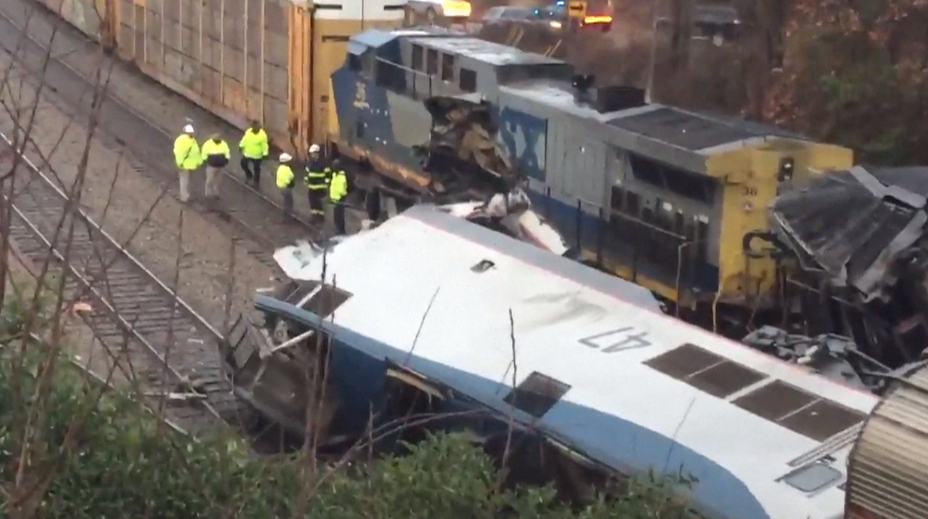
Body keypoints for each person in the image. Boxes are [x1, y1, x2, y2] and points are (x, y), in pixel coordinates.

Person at [172, 124, 202, 203]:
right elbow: (197, 152)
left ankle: (184, 197)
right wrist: (199, 162)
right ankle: (188, 195)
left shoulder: (180, 140)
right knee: (190, 180)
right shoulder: (193, 141)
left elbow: (178, 152)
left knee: (183, 180)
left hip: (184, 164)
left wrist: (179, 163)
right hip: (193, 165)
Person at [239, 120, 269, 187]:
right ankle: (249, 174)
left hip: (257, 155)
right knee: (243, 164)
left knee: (256, 168)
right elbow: (245, 139)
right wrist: (241, 145)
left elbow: (264, 145)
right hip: (247, 152)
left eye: (257, 128)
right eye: (254, 127)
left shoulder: (262, 135)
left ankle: (256, 181)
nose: (255, 129)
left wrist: (265, 153)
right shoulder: (249, 132)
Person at [201, 134, 230, 198]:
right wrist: (205, 160)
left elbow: (227, 152)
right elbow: (204, 152)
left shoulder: (223, 144)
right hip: (212, 165)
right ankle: (208, 192)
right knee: (210, 179)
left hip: (220, 165)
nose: (218, 141)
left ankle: (216, 192)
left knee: (218, 180)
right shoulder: (208, 144)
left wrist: (227, 159)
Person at [304, 143, 328, 222]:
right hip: (311, 186)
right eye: (311, 154)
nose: (312, 155)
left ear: (317, 153)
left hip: (320, 187)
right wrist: (306, 180)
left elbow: (327, 174)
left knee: (318, 202)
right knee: (312, 202)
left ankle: (320, 217)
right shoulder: (310, 162)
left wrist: (326, 184)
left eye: (313, 154)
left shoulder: (323, 163)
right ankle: (314, 216)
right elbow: (307, 172)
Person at [328, 158, 348, 235]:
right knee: (336, 216)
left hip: (340, 199)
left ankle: (341, 231)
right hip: (335, 199)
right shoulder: (334, 175)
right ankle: (338, 230)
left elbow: (342, 189)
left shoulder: (341, 177)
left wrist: (341, 197)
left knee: (340, 216)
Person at [276, 153, 296, 217]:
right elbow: (291, 177)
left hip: (281, 187)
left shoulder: (280, 168)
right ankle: (287, 216)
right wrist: (291, 182)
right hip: (286, 187)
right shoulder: (287, 169)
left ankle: (286, 215)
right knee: (289, 202)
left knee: (286, 201)